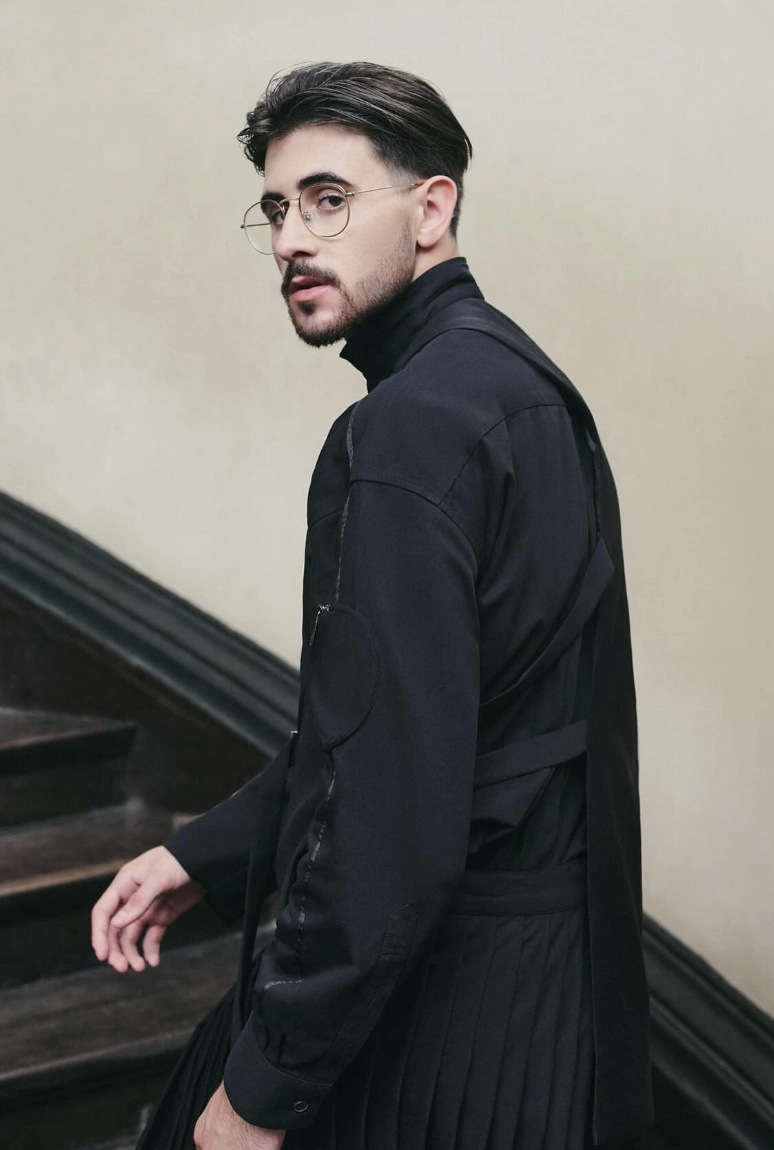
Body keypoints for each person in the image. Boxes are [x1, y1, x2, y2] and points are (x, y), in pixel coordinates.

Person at [91, 61, 653, 1150]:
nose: (292, 240)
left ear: (432, 209)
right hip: (550, 1008)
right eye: (276, 209)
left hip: (445, 1017)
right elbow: (436, 722)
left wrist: (263, 1090)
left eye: (329, 199)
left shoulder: (404, 430)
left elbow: (391, 805)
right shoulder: (525, 387)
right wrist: (207, 852)